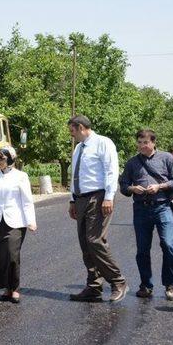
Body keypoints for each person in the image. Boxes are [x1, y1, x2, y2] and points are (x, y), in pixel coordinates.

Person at [67, 115, 128, 303]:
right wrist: (72, 199)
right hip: (81, 199)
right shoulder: (78, 148)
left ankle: (118, 282)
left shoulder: (103, 143)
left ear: (81, 127)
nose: (72, 136)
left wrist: (109, 197)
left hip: (98, 197)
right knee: (85, 243)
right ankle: (94, 287)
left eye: (72, 131)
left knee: (95, 240)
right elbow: (75, 175)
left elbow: (111, 170)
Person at [119, 129, 173, 300]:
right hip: (141, 209)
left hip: (163, 207)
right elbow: (123, 185)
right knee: (142, 250)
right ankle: (146, 285)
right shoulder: (132, 163)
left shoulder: (167, 158)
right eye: (139, 142)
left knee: (169, 244)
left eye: (145, 142)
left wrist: (160, 187)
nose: (142, 145)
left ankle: (171, 285)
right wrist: (132, 188)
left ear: (153, 142)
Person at [0, 146, 36, 303]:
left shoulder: (21, 176)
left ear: (11, 158)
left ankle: (15, 288)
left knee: (11, 255)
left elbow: (27, 200)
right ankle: (6, 288)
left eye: (1, 158)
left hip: (16, 222)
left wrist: (31, 220)